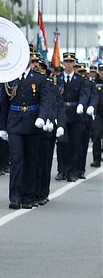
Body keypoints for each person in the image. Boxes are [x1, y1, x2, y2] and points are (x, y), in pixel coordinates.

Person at [54, 53, 93, 182]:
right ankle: (62, 170)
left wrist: (81, 104)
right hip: (62, 113)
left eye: (71, 62)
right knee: (62, 142)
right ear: (63, 63)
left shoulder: (80, 80)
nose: (69, 64)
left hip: (76, 114)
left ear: (74, 64)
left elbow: (84, 94)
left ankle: (72, 171)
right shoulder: (57, 79)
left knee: (75, 144)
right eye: (66, 61)